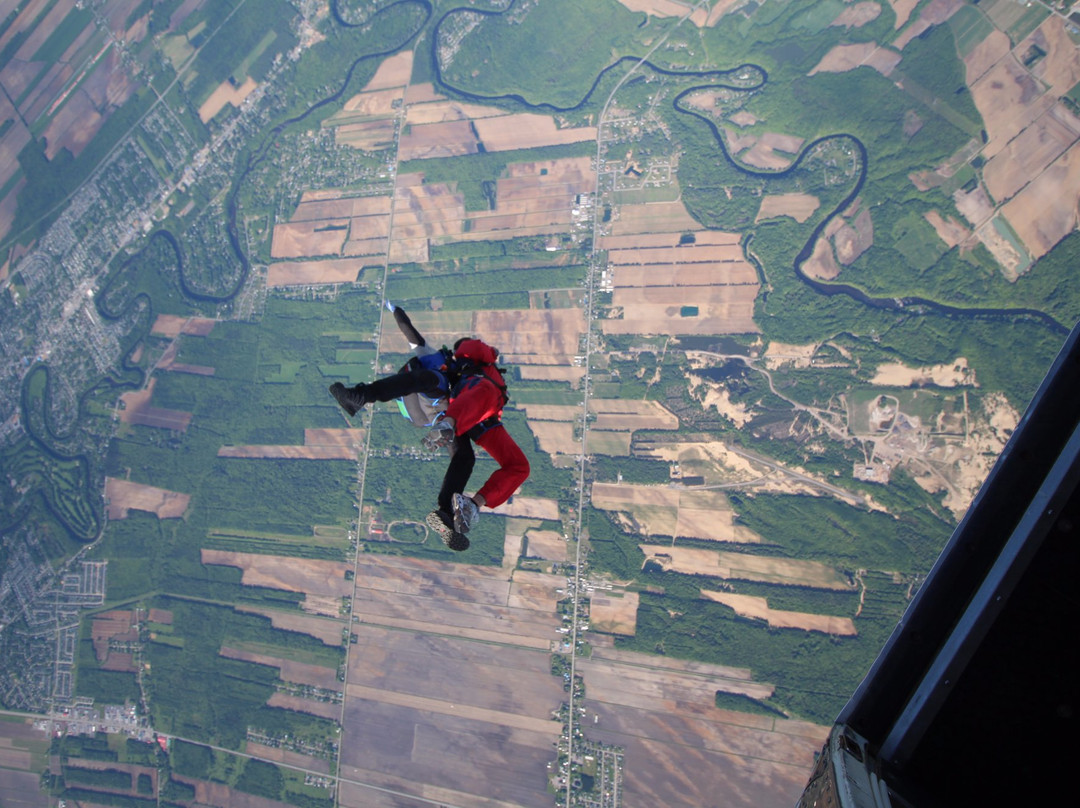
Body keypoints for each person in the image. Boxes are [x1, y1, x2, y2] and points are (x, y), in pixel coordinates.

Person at [328, 304, 472, 551]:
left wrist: (394, 308)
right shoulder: (444, 364)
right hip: (428, 404)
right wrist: (395, 309)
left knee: (463, 454)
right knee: (435, 388)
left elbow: (408, 330)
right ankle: (360, 396)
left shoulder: (437, 358)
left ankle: (445, 513)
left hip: (427, 411)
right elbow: (410, 332)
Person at [422, 338, 530, 537]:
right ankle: (447, 425)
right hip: (471, 407)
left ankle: (470, 506)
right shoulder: (468, 349)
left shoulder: (477, 368)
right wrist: (491, 352)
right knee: (485, 390)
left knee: (519, 467)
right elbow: (483, 350)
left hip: (485, 419)